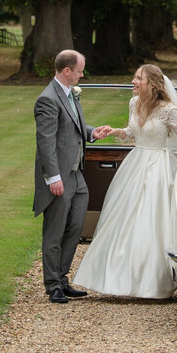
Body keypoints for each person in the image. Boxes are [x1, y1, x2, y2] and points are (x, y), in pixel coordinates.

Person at [74, 62, 177, 300]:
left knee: (153, 221)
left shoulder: (168, 109)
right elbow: (131, 132)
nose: (133, 81)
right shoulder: (133, 103)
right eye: (135, 77)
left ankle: (152, 282)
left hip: (159, 167)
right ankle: (118, 280)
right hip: (136, 163)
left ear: (153, 84)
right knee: (122, 219)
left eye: (139, 78)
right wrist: (115, 131)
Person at [33, 48, 115, 305]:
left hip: (77, 174)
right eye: (79, 70)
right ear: (67, 71)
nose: (82, 74)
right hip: (60, 176)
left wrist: (92, 132)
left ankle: (62, 277)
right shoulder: (47, 99)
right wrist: (52, 178)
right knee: (55, 231)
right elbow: (46, 143)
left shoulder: (70, 94)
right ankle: (53, 285)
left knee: (76, 226)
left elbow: (72, 129)